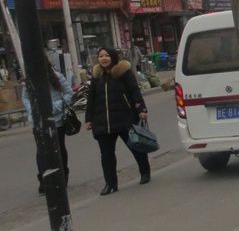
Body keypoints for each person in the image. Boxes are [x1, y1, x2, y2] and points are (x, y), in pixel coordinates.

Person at [84, 47, 150, 195]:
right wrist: (89, 119)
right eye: (101, 56)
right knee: (106, 155)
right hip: (103, 122)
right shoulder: (97, 76)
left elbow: (134, 91)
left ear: (113, 57)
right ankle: (110, 184)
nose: (104, 58)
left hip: (124, 118)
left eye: (107, 55)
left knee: (135, 147)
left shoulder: (123, 72)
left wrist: (141, 110)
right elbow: (91, 98)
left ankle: (145, 172)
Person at [22, 56, 73, 195]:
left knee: (59, 148)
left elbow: (69, 93)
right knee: (41, 152)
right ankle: (44, 181)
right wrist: (33, 109)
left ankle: (62, 176)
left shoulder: (56, 76)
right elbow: (25, 98)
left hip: (57, 120)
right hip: (38, 122)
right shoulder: (29, 80)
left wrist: (54, 107)